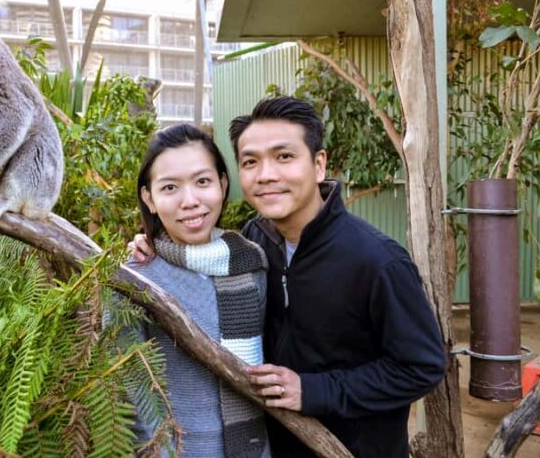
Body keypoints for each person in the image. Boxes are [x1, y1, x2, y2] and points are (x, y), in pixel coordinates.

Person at [132, 97, 446, 457]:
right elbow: (199, 256)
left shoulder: (376, 261)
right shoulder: (252, 243)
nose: (266, 175)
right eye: (251, 162)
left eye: (284, 157)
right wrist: (150, 244)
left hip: (351, 449)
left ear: (318, 164)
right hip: (269, 446)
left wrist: (313, 391)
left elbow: (421, 367)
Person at [125, 123, 272, 457]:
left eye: (202, 181)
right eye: (170, 187)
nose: (190, 201)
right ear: (149, 198)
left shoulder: (252, 262)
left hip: (255, 447)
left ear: (222, 184)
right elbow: (128, 390)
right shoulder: (135, 275)